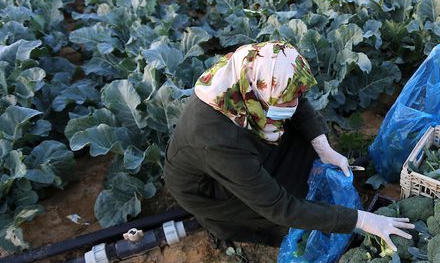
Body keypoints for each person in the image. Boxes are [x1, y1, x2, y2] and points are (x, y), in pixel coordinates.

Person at [163, 41, 413, 248]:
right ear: (258, 94)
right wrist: (362, 221)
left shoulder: (256, 70)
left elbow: (295, 99)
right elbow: (279, 207)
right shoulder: (214, 139)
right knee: (286, 218)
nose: (293, 105)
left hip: (246, 149)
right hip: (213, 187)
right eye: (285, 102)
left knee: (303, 150)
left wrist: (323, 146)